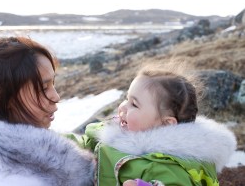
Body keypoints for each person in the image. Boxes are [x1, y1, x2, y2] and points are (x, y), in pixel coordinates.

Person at [0, 36, 95, 186]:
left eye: (53, 84)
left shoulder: (42, 151)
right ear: (2, 96)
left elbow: (89, 143)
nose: (56, 97)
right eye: (43, 88)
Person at [71, 61, 236, 186]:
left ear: (166, 124)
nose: (122, 107)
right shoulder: (113, 133)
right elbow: (81, 144)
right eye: (126, 99)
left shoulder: (168, 166)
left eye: (134, 104)